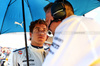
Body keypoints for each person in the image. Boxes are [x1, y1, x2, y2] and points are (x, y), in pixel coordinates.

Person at [43, 0, 100, 66]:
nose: (47, 27)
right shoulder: (87, 23)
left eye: (47, 20)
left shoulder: (68, 26)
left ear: (58, 14)